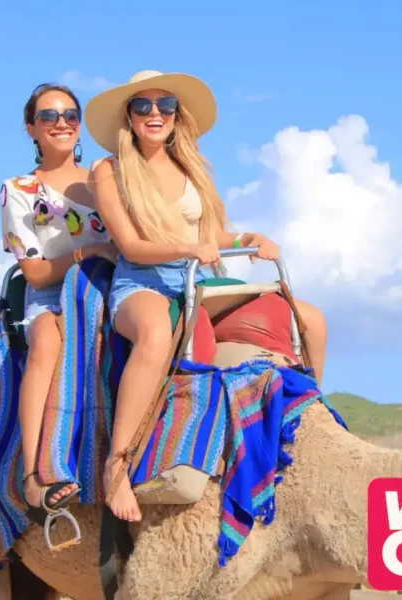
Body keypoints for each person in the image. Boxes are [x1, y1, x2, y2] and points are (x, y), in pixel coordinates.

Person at [85, 70, 328, 523]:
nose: (154, 114)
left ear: (178, 115)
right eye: (143, 106)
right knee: (156, 335)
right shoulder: (110, 170)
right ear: (129, 116)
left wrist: (251, 238)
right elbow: (132, 246)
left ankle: (305, 432)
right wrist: (190, 248)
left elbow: (210, 235)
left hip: (198, 279)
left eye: (165, 105)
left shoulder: (189, 165)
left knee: (309, 320)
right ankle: (116, 468)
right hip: (143, 280)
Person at [0, 83, 118, 525]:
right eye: (48, 116)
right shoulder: (18, 189)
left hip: (112, 288)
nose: (62, 123)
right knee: (47, 342)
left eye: (70, 114)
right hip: (52, 293)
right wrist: (89, 254)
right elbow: (34, 273)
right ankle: (34, 474)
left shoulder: (106, 178)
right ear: (31, 127)